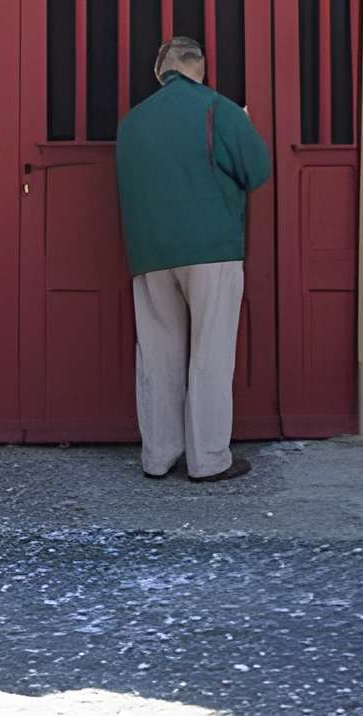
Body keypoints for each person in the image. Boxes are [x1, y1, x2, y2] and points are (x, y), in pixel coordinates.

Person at [114, 35, 271, 483]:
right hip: (211, 248)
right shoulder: (218, 109)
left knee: (157, 353)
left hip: (150, 251)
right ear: (199, 68)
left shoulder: (132, 122)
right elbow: (257, 170)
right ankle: (209, 459)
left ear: (160, 70)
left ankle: (158, 455)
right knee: (210, 352)